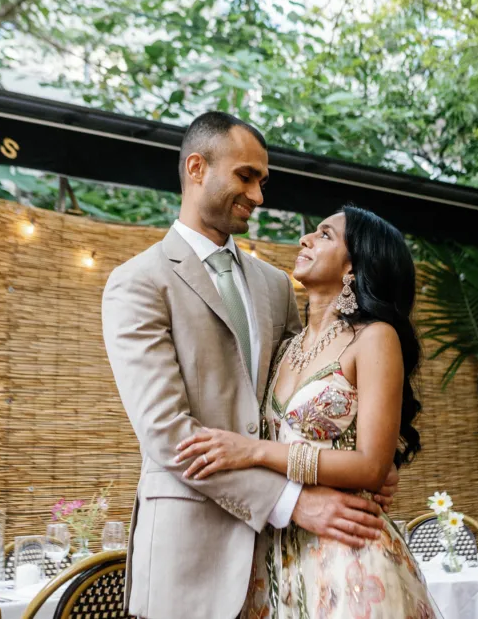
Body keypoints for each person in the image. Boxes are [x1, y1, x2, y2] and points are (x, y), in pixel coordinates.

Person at [102, 112, 398, 619]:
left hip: (290, 565)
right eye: (246, 176)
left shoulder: (275, 285)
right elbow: (168, 434)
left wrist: (370, 461)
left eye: (262, 180)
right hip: (190, 560)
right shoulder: (139, 283)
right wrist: (293, 502)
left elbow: (303, 392)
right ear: (197, 167)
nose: (259, 196)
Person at [175, 205, 439, 619]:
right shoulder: (286, 348)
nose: (305, 239)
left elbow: (372, 466)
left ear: (354, 266)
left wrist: (255, 451)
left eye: (325, 235)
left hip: (348, 561)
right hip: (273, 561)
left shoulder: (374, 339)